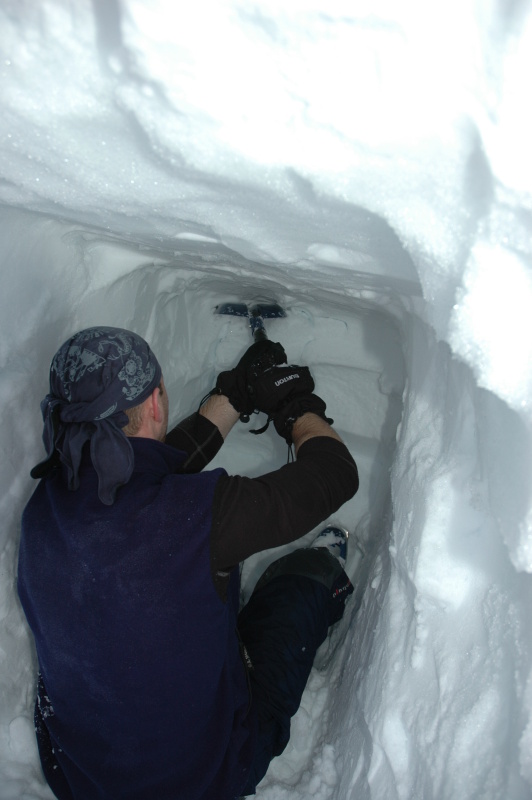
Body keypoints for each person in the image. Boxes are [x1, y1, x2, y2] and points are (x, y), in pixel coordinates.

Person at [17, 325, 359, 800]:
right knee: (296, 582)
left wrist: (234, 394)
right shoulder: (198, 518)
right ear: (157, 403)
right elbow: (334, 475)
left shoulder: (43, 508)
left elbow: (152, 466)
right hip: (203, 781)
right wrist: (296, 406)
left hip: (83, 779)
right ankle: (322, 570)